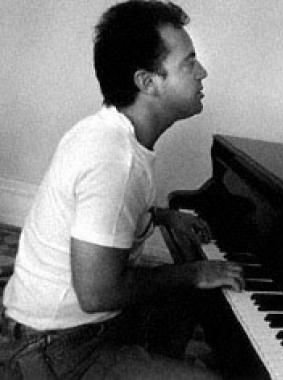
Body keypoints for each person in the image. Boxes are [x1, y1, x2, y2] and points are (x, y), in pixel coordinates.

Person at [0, 1, 244, 379]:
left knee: (185, 300)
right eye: (189, 62)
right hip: (54, 347)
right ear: (147, 82)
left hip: (66, 327)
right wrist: (193, 272)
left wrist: (163, 216)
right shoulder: (114, 159)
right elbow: (97, 294)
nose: (202, 72)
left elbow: (105, 214)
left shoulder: (111, 133)